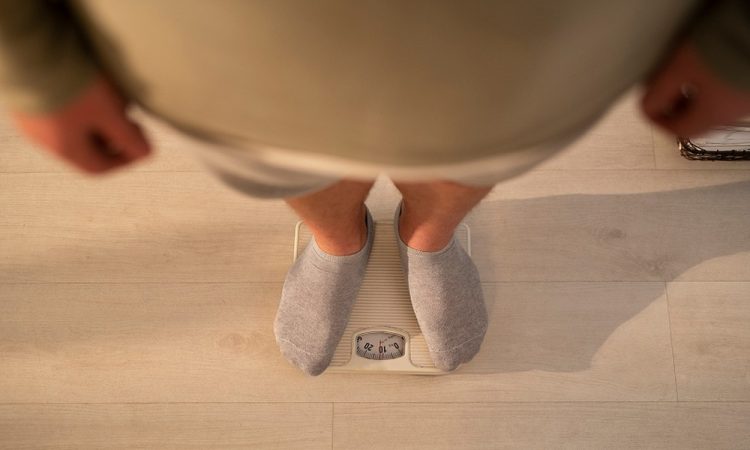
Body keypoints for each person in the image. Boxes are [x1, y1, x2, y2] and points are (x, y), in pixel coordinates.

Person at [1, 1, 749, 376]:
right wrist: (31, 62)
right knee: (286, 161)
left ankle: (429, 237)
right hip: (221, 57)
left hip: (531, 56)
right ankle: (339, 240)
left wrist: (737, 40)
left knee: (473, 153)